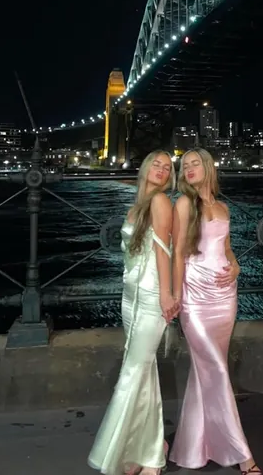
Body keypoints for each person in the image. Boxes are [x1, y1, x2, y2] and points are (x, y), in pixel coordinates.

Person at [169, 149, 261, 475]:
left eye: (196, 163)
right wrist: (174, 295)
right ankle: (243, 455)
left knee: (207, 372)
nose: (190, 168)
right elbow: (178, 254)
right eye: (185, 165)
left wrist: (236, 266)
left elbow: (226, 248)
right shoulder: (184, 204)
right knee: (217, 371)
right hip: (195, 298)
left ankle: (195, 447)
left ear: (208, 168)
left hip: (225, 297)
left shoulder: (222, 207)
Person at [88, 150, 179, 475]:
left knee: (133, 370)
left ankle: (127, 451)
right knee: (143, 370)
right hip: (130, 296)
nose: (161, 169)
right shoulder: (137, 206)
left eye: (167, 167)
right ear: (145, 168)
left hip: (152, 296)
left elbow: (163, 250)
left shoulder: (161, 202)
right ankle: (152, 450)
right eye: (156, 163)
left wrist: (167, 294)